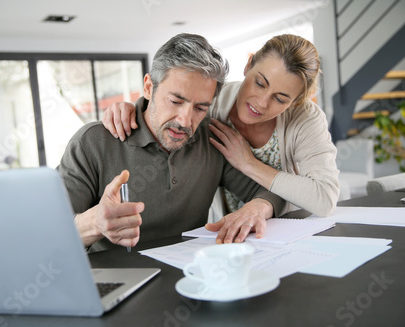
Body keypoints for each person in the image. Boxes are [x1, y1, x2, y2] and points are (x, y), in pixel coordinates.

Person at [57, 33, 286, 252]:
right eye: (176, 101)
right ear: (148, 87)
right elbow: (48, 233)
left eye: (200, 108)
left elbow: (270, 191)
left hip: (190, 275)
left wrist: (259, 208)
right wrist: (94, 223)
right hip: (115, 282)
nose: (185, 121)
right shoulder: (92, 143)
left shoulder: (211, 139)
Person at [102, 34, 339, 218]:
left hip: (289, 226)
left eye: (280, 99)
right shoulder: (212, 102)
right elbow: (172, 103)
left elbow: (324, 199)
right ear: (248, 65)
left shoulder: (305, 118)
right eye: (259, 83)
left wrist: (248, 163)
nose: (261, 102)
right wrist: (134, 108)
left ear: (295, 102)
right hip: (231, 229)